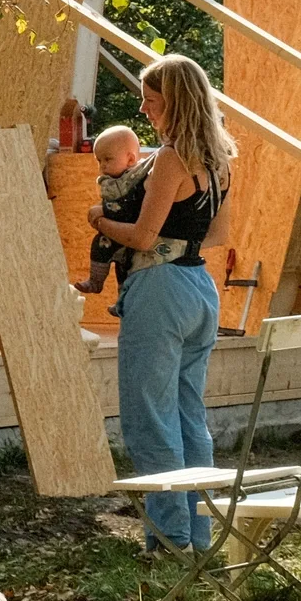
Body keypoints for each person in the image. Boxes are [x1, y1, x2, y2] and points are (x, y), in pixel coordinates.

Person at [94, 53, 235, 554]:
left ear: (174, 103)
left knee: (149, 417)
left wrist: (99, 220)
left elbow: (141, 235)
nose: (145, 109)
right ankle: (199, 535)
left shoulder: (172, 158)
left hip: (159, 286)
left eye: (151, 101)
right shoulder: (219, 159)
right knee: (187, 415)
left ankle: (170, 538)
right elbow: (219, 234)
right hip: (200, 286)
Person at [76, 125, 151, 294]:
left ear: (130, 159)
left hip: (131, 234)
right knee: (100, 246)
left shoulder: (137, 180)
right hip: (113, 235)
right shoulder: (111, 180)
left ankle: (122, 300)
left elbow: (129, 206)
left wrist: (104, 210)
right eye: (99, 160)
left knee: (126, 269)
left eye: (108, 159)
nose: (102, 166)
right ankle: (95, 281)